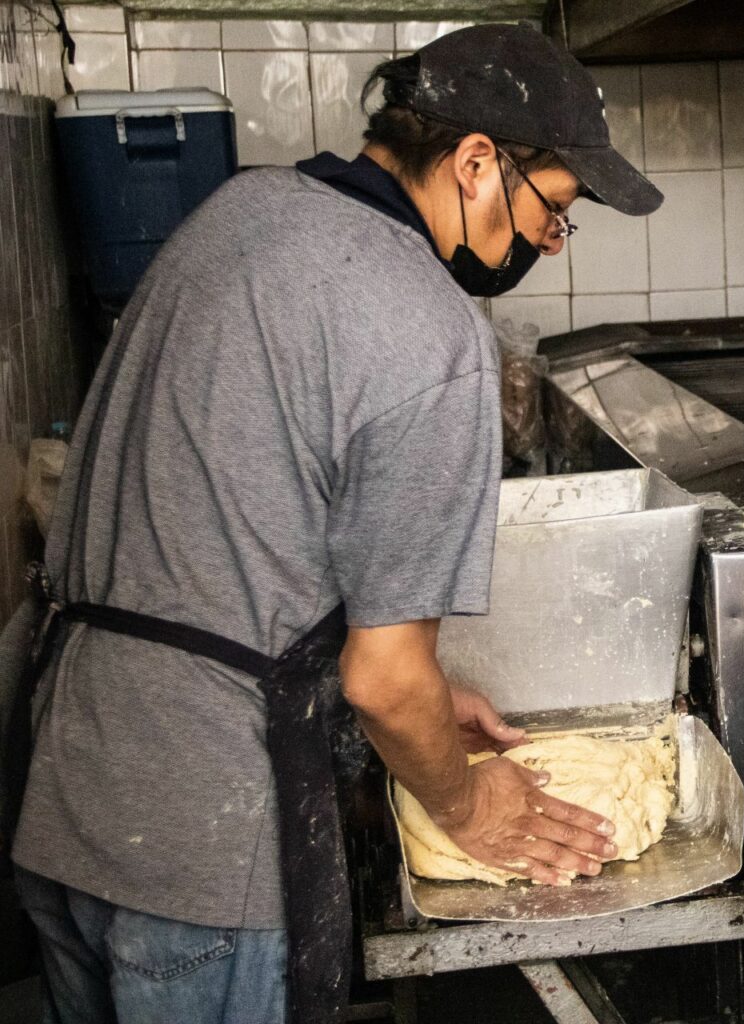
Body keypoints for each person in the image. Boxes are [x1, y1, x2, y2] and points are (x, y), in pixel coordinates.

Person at [6, 23, 663, 1024]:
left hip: (66, 786)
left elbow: (228, 532)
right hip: (200, 849)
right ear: (475, 163)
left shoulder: (240, 211)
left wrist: (426, 705)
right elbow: (382, 680)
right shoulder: (427, 327)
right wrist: (464, 800)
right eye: (554, 207)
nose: (546, 240)